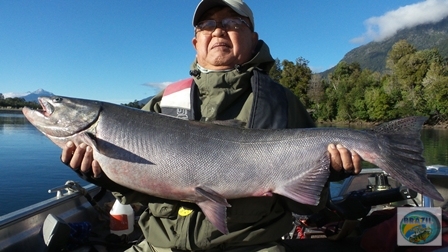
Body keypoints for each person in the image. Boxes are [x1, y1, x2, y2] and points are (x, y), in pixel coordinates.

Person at [61, 0, 362, 251]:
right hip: (158, 245)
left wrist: (327, 175)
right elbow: (140, 190)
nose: (218, 30)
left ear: (253, 37)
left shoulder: (282, 103)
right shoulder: (161, 104)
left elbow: (309, 206)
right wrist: (107, 177)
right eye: (207, 25)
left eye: (232, 22)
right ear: (196, 42)